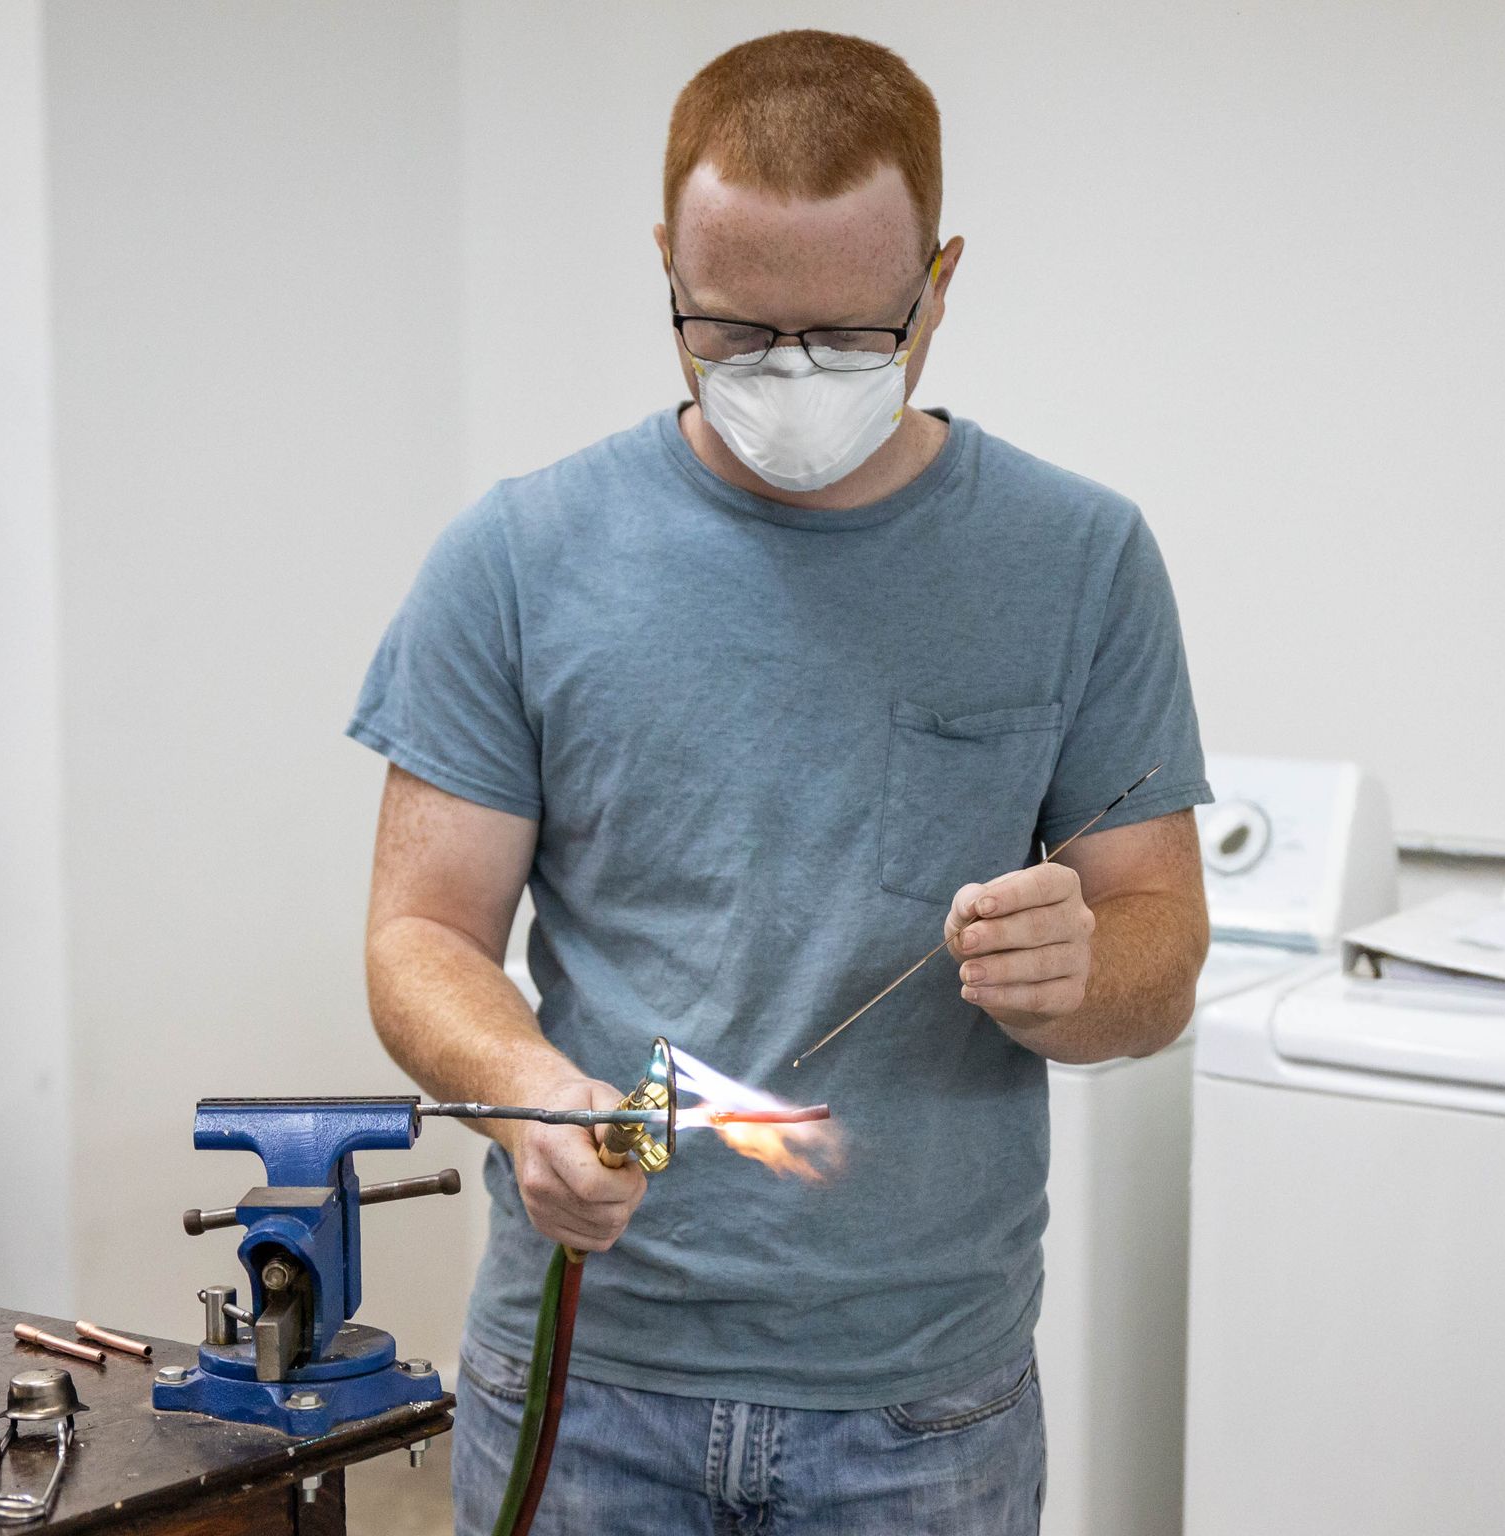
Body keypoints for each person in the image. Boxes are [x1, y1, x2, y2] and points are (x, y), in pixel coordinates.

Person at [351, 28, 1211, 1536]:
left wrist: (1083, 973)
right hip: (587, 1378)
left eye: (849, 335)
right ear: (667, 269)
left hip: (921, 1411)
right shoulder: (521, 557)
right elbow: (420, 936)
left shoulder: (1078, 564)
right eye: (737, 333)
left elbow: (1163, 951)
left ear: (938, 284)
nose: (790, 378)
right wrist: (530, 1101)